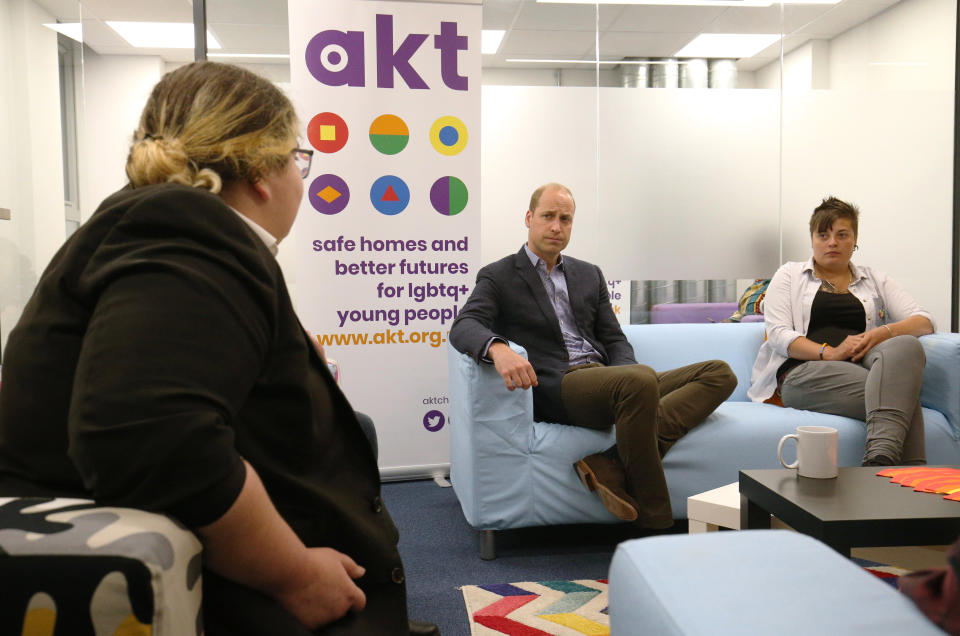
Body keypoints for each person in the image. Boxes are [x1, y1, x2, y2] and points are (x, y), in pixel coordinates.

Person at [0, 62, 438, 636]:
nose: (302, 181)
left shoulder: (148, 224)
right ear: (262, 170)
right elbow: (148, 433)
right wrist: (296, 575)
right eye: (299, 162)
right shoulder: (189, 228)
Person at [449, 182, 736, 529]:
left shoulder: (588, 274)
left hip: (608, 381)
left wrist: (628, 377)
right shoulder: (500, 275)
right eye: (548, 216)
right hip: (561, 386)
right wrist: (498, 348)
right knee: (638, 381)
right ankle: (655, 524)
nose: (557, 227)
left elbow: (614, 338)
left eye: (565, 219)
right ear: (529, 218)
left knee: (719, 374)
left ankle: (609, 463)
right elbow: (464, 325)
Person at [748, 196, 934, 466]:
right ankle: (906, 479)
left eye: (842, 234)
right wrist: (830, 352)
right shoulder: (789, 274)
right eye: (823, 235)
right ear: (812, 240)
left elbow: (924, 320)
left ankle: (879, 462)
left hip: (861, 365)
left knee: (906, 345)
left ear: (854, 240)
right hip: (804, 371)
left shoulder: (875, 278)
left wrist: (883, 333)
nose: (832, 242)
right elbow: (778, 334)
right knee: (901, 397)